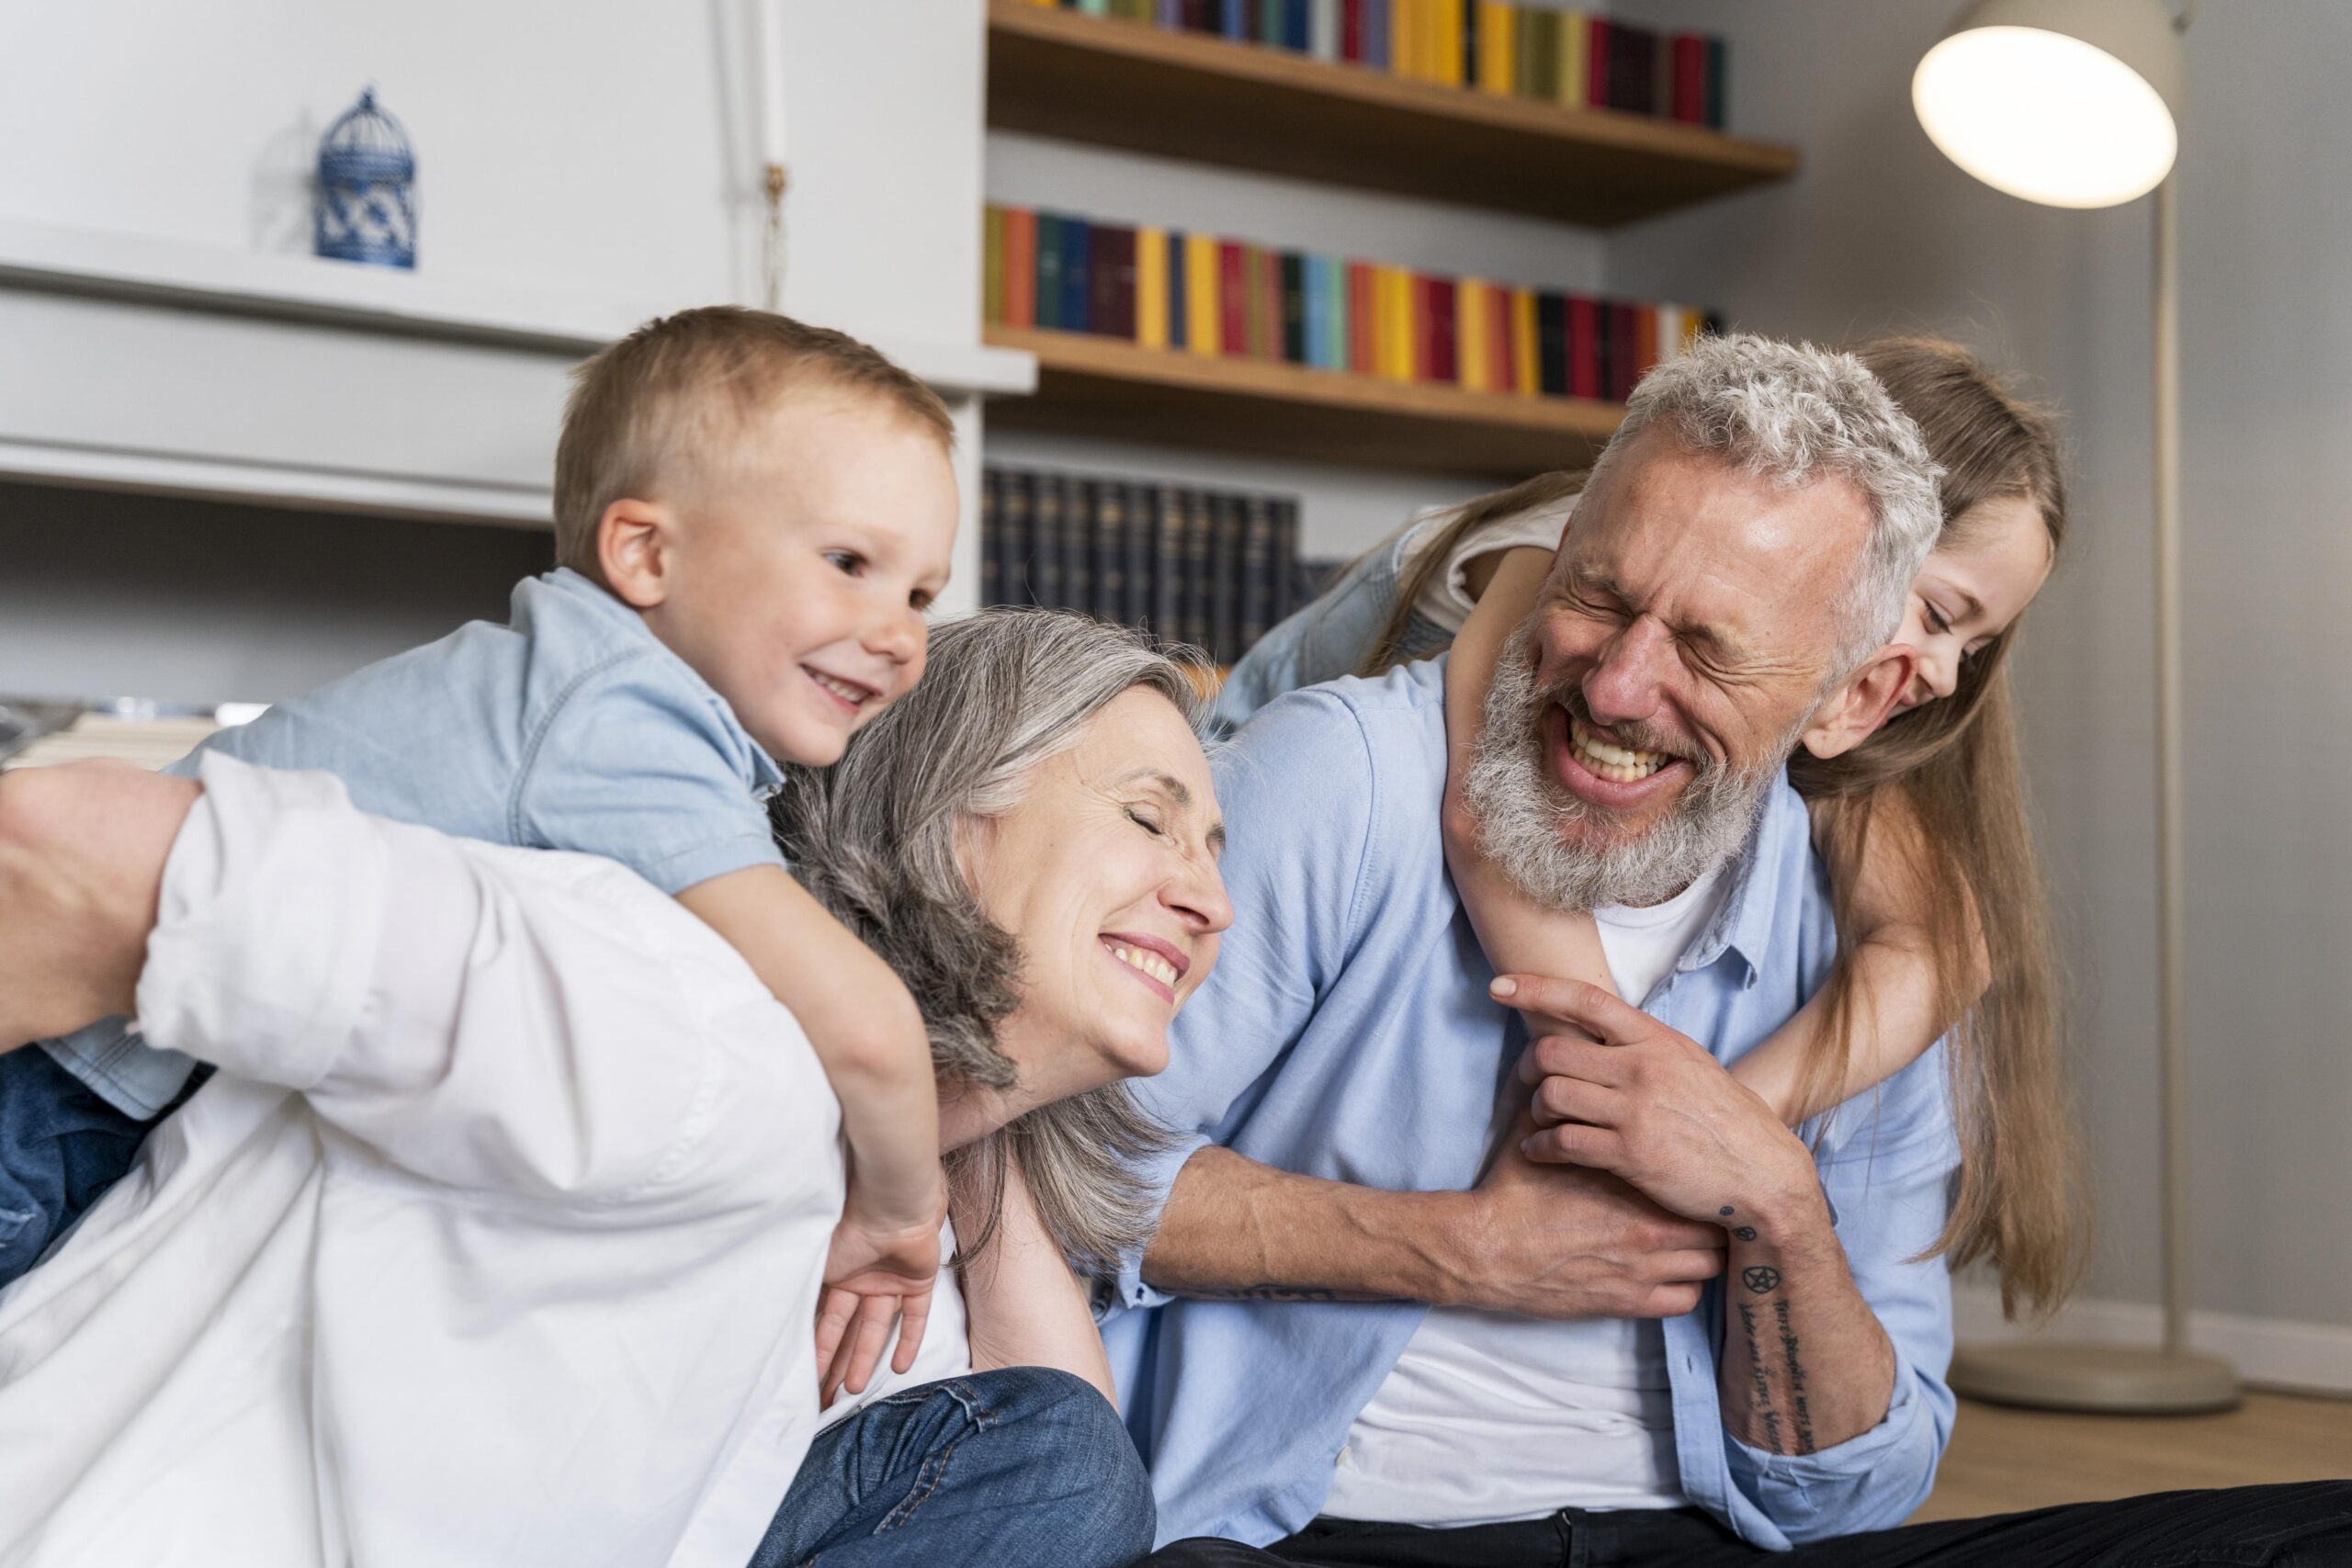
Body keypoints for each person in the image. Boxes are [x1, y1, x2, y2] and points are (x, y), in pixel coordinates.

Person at [1104, 334, 2351, 1566]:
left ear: (1845, 686)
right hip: (1331, 1527)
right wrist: (1468, 1237)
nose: (1937, 665)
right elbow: (1057, 1170)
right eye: (1600, 599)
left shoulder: (1872, 923)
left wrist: (1768, 1184)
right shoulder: (1364, 759)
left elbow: (1856, 1492)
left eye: (1967, 637)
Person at [0, 608, 1231, 1567]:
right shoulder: (655, 998)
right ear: (952, 817)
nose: (1208, 897)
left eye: (1215, 854)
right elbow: (62, 845)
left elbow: (1055, 1479)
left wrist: (973, 1115)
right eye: (1149, 819)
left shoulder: (896, 1235)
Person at [0, 308, 956, 1359]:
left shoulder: (565, 686)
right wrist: (903, 1222)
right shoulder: (622, 718)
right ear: (643, 554)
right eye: (849, 563)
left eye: (920, 592)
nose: (899, 635)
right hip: (58, 1092)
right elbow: (864, 1027)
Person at [1229, 336, 2080, 1317]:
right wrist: (1618, 1122)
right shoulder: (1578, 552)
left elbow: (1946, 946)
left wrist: (1723, 1126)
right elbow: (1482, 818)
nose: (1941, 672)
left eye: (1974, 646)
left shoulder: (1820, 710)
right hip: (1218, 791)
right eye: (1937, 613)